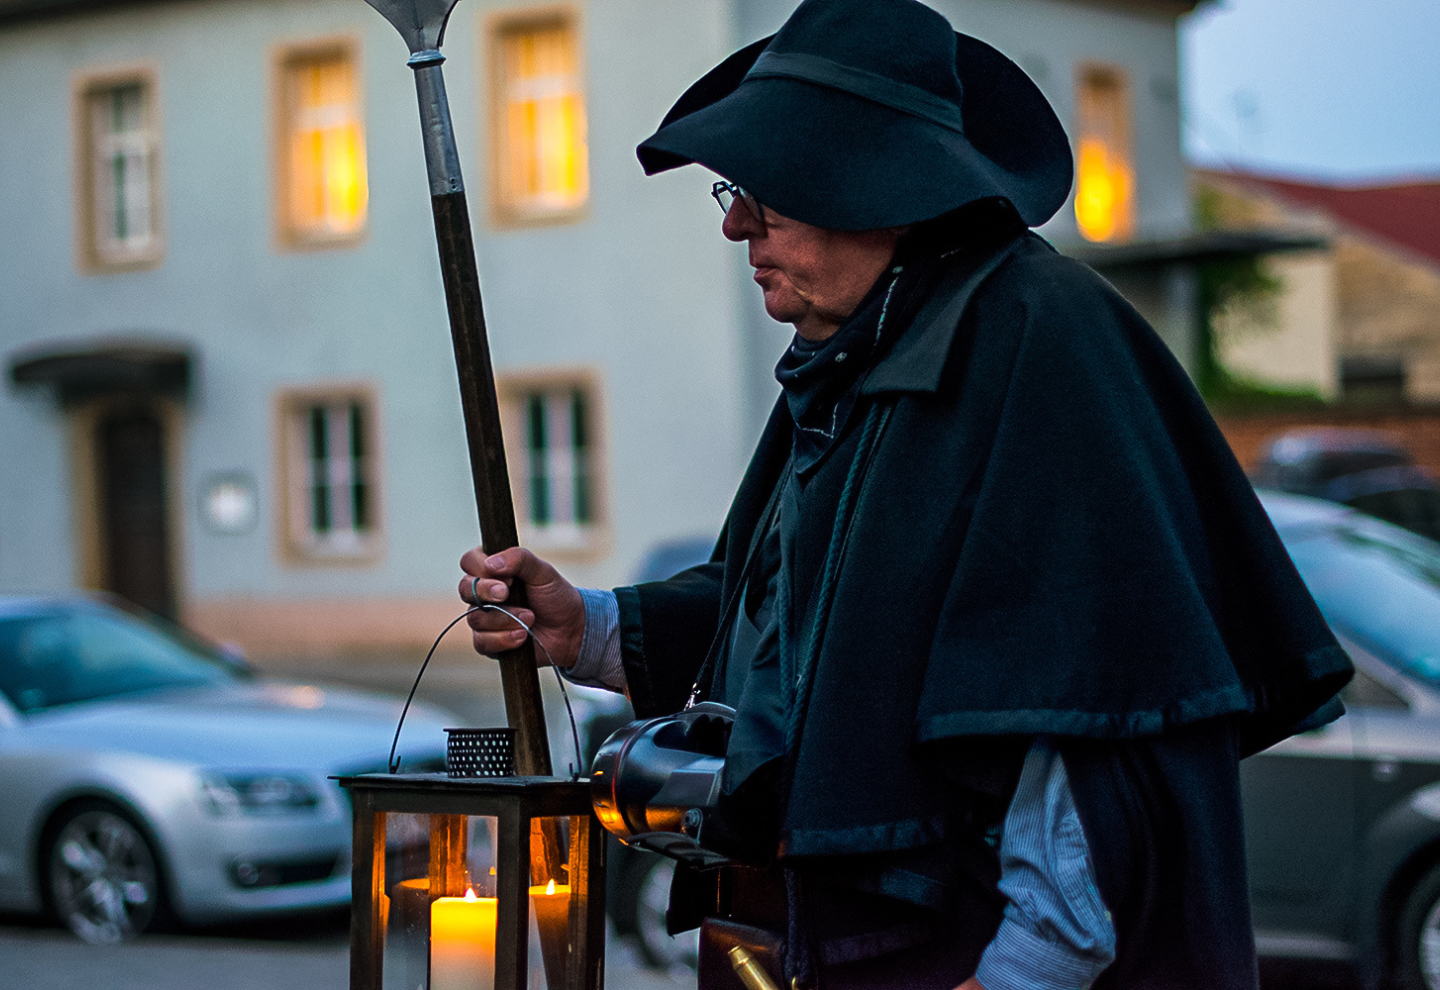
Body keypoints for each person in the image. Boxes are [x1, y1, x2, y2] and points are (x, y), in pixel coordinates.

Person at [460, 1, 1352, 987]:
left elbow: (1092, 708)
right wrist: (582, 626)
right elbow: (795, 625)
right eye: (734, 190)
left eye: (770, 195)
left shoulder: (1038, 344)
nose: (735, 225)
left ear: (883, 192)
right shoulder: (856, 356)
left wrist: (1024, 971)